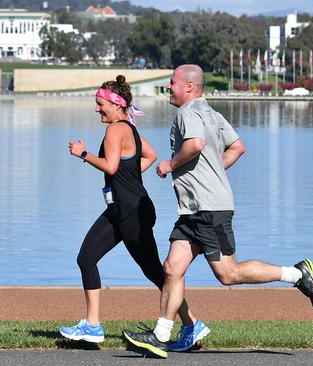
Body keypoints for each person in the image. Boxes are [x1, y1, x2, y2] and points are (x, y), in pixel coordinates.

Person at [123, 64, 313, 358]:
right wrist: (212, 170)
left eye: (172, 82)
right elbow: (237, 147)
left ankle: (296, 274)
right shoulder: (212, 114)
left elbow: (195, 144)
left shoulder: (187, 113)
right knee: (171, 268)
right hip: (195, 209)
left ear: (189, 87)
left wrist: (170, 164)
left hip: (208, 208)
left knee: (228, 273)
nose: (168, 86)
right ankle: (161, 335)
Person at [61, 75, 208, 347]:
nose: (96, 109)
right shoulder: (128, 127)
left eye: (100, 104)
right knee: (87, 258)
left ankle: (192, 324)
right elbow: (149, 156)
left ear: (115, 105)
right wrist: (129, 178)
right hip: (121, 208)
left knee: (155, 272)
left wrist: (83, 153)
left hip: (132, 212)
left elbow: (111, 167)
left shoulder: (116, 129)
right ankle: (93, 326)